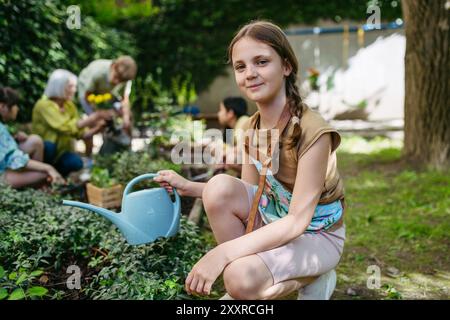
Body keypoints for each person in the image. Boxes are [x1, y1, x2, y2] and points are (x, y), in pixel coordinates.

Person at [154, 21, 346, 300]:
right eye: (240, 66)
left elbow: (296, 222)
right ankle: (252, 281)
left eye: (261, 61)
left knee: (237, 277)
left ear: (286, 66)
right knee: (219, 187)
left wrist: (223, 253)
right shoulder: (251, 128)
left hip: (317, 236)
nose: (250, 73)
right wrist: (189, 187)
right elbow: (250, 194)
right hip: (273, 221)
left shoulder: (313, 132)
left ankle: (314, 275)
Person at [32, 69, 112, 177]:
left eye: (74, 87)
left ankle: (58, 178)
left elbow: (80, 134)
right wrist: (94, 117)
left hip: (61, 154)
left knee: (76, 162)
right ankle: (41, 176)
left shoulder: (69, 106)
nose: (74, 90)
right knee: (50, 146)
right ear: (58, 86)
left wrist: (99, 128)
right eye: (70, 86)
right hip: (46, 153)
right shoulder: (43, 105)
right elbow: (64, 127)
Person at [0, 87, 64, 188]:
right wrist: (48, 168)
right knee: (44, 174)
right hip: (2, 175)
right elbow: (13, 157)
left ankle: (36, 184)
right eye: (15, 105)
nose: (17, 108)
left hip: (4, 167)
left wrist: (14, 138)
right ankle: (38, 187)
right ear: (2, 106)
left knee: (35, 141)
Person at [77, 56, 137, 155]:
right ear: (113, 66)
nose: (117, 82)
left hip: (106, 94)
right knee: (95, 123)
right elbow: (88, 96)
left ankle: (128, 150)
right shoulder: (98, 73)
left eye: (121, 81)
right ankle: (89, 157)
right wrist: (99, 113)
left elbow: (124, 99)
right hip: (87, 93)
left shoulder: (125, 77)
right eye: (116, 77)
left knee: (128, 117)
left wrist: (126, 118)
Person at [215, 96, 250, 176]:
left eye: (221, 110)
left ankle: (251, 179)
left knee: (231, 158)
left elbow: (242, 148)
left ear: (230, 113)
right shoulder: (233, 127)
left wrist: (224, 154)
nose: (218, 114)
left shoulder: (243, 121)